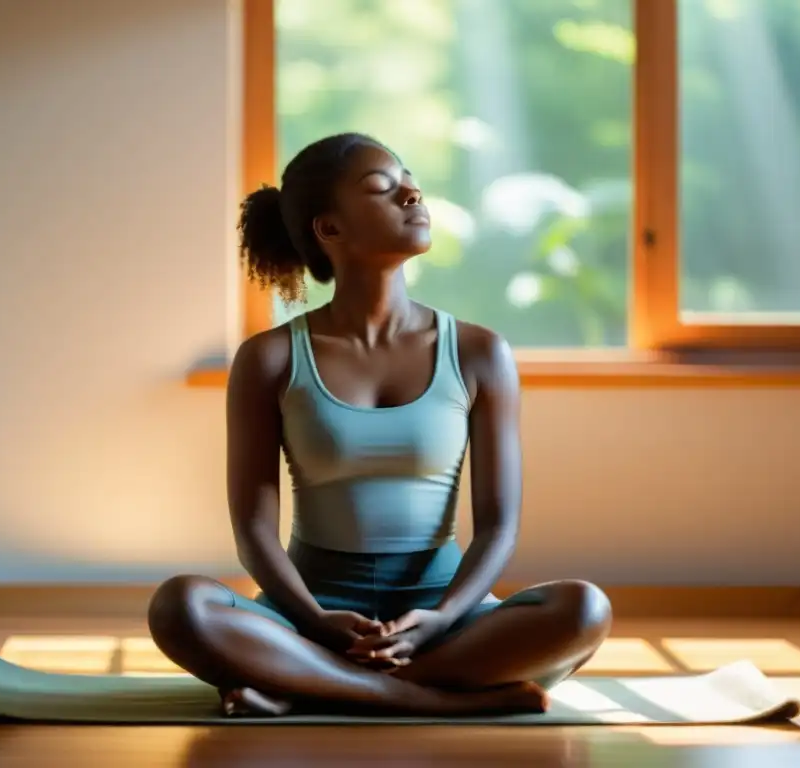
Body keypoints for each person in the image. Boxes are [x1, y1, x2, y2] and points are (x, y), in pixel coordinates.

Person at [147, 132, 612, 717]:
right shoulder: (269, 358)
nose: (413, 194)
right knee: (180, 606)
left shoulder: (478, 352)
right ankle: (433, 697)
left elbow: (498, 526)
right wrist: (313, 619)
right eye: (382, 188)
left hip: (443, 614)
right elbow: (253, 529)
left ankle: (306, 686)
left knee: (583, 610)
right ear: (330, 229)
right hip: (309, 614)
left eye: (410, 181)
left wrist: (439, 618)